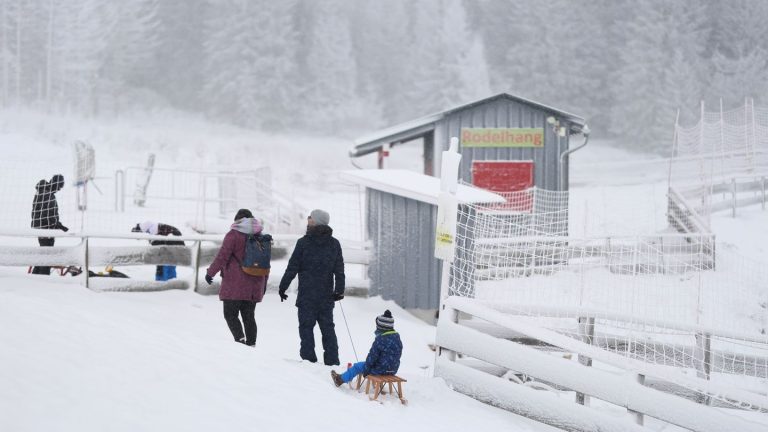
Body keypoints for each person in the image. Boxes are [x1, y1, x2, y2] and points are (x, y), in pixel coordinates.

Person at [279, 209, 345, 365]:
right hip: (326, 296)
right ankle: (332, 361)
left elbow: (292, 267)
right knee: (328, 329)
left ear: (315, 221)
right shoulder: (334, 244)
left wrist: (283, 287)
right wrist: (339, 290)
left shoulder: (304, 243)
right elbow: (339, 270)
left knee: (306, 328)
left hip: (307, 295)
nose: (308, 219)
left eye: (310, 217)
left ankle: (309, 361)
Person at [205, 209, 268, 347]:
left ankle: (240, 341)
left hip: (235, 283)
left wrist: (210, 272)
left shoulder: (233, 235)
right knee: (249, 316)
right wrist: (263, 286)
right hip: (255, 283)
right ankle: (251, 344)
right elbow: (265, 264)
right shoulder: (261, 236)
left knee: (230, 314)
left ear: (237, 220)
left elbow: (222, 256)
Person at [331, 310, 402, 387]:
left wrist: (367, 369)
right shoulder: (397, 337)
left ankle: (339, 379)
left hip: (379, 370)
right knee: (375, 363)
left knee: (357, 366)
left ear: (381, 327)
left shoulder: (380, 339)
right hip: (393, 370)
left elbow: (372, 356)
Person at [30, 174, 68, 275]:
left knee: (43, 254)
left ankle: (34, 278)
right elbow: (48, 215)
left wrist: (58, 224)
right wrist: (58, 225)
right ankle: (44, 280)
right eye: (59, 186)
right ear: (55, 183)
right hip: (45, 230)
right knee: (47, 257)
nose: (59, 189)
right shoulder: (47, 195)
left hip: (42, 229)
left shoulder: (43, 192)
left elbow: (48, 214)